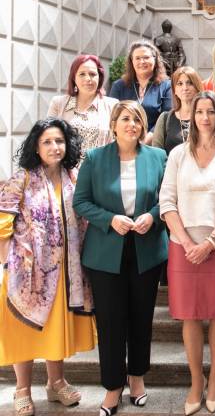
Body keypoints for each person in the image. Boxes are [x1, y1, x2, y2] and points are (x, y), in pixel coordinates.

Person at [73, 101, 167, 415]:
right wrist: (109, 219)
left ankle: (137, 377)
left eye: (137, 120)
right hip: (105, 252)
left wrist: (153, 217)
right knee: (111, 323)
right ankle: (113, 387)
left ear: (143, 127)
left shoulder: (157, 157)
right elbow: (81, 201)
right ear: (114, 124)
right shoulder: (94, 158)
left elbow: (168, 198)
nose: (131, 125)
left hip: (146, 250)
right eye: (125, 119)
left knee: (141, 318)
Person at [0, 119, 94, 416]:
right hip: (26, 273)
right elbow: (3, 221)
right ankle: (22, 389)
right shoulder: (22, 178)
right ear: (36, 147)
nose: (55, 147)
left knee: (55, 329)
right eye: (47, 142)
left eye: (59, 141)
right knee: (24, 329)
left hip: (66, 272)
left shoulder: (74, 176)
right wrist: (5, 263)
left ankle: (56, 382)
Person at [159, 91, 215, 415]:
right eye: (200, 112)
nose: (205, 118)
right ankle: (196, 380)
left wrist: (209, 241)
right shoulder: (179, 154)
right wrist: (186, 241)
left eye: (211, 112)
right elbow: (166, 201)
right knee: (190, 316)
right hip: (183, 246)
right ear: (191, 116)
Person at [47, 54, 118, 155]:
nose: (88, 78)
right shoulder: (58, 104)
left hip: (101, 168)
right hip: (67, 169)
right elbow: (49, 138)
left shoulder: (113, 105)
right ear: (74, 78)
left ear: (99, 77)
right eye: (82, 74)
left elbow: (119, 142)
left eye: (92, 74)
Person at [109, 40, 172, 143]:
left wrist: (145, 140)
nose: (142, 62)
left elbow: (166, 117)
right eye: (137, 58)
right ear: (131, 61)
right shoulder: (119, 86)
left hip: (154, 143)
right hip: (124, 143)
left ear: (155, 59)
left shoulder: (166, 86)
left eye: (146, 57)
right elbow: (113, 117)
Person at [152, 67, 203, 155]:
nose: (185, 88)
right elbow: (157, 154)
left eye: (190, 83)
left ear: (197, 86)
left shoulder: (206, 117)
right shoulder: (165, 118)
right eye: (180, 84)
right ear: (174, 90)